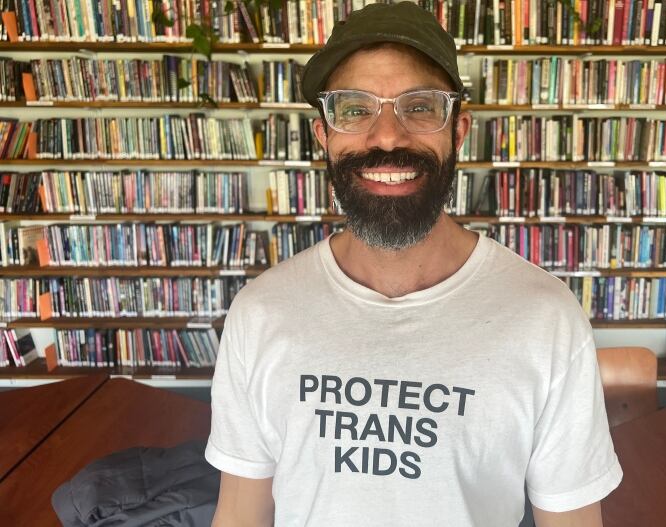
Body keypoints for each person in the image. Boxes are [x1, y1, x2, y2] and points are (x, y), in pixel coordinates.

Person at [205, 2, 622, 526]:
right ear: (323, 136)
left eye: (420, 107)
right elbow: (241, 512)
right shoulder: (261, 312)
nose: (387, 136)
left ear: (459, 131)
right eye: (355, 109)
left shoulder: (546, 319)